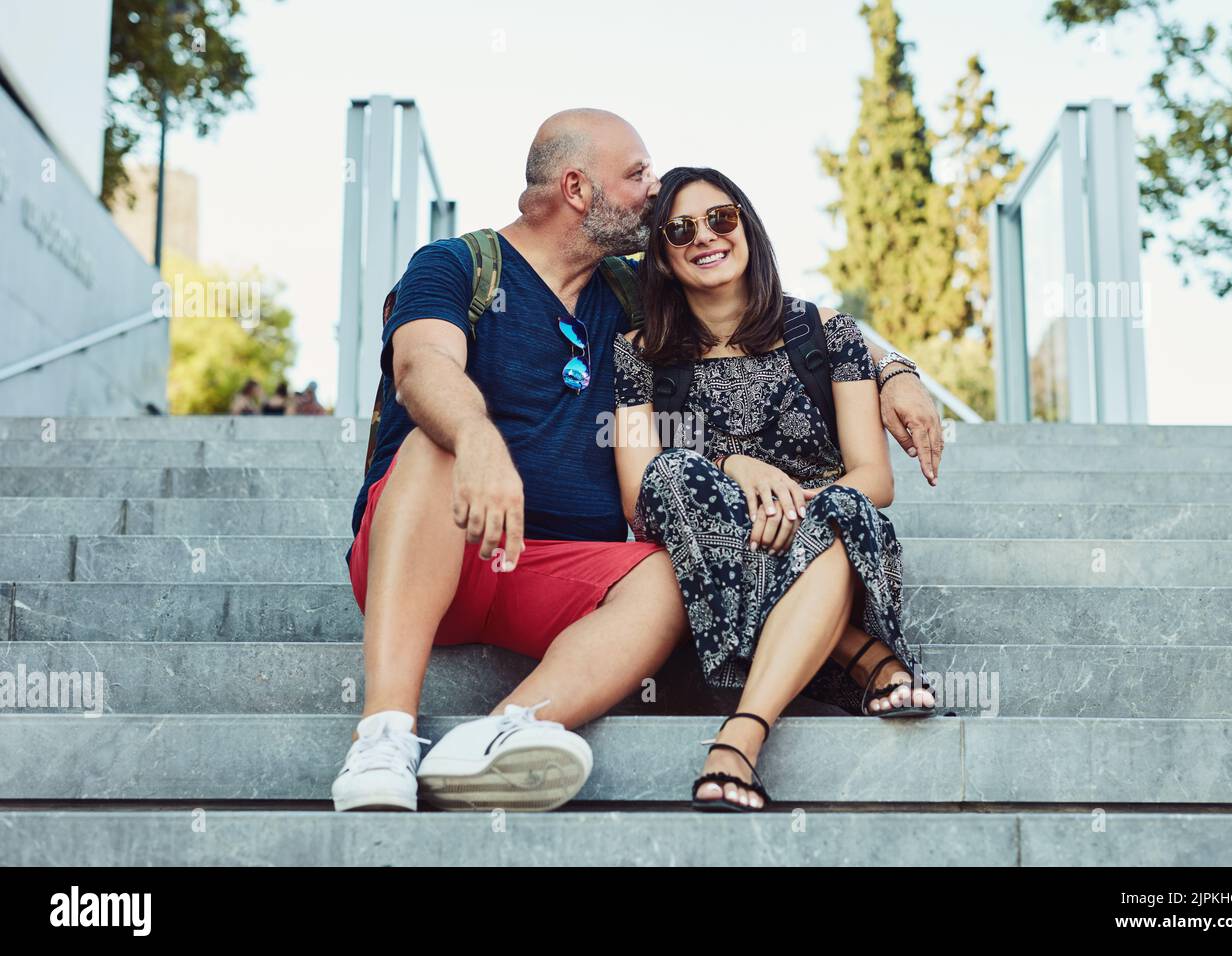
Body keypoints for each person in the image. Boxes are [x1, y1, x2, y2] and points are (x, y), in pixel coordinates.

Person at [333, 109, 947, 814]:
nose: (656, 192)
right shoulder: (458, 265)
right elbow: (422, 364)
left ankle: (500, 736)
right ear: (576, 188)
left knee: (662, 575)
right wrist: (476, 437)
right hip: (435, 544)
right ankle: (383, 735)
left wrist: (895, 370)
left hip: (558, 572)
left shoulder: (626, 291)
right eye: (637, 175)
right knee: (433, 445)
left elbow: (771, 310)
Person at [612, 167, 938, 813]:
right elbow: (638, 496)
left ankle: (740, 738)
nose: (705, 236)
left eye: (721, 218)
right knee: (675, 476)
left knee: (845, 506)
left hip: (828, 529)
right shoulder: (638, 353)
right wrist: (735, 466)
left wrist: (793, 505)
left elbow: (873, 479)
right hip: (712, 536)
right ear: (662, 254)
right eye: (680, 229)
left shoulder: (829, 335)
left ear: (748, 227)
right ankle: (865, 656)